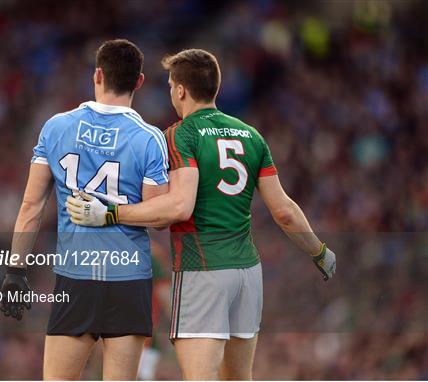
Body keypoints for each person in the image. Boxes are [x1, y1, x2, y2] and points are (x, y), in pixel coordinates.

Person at [67, 48, 337, 380]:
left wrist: (109, 214)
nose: (170, 93)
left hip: (203, 271)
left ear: (180, 90)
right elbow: (284, 212)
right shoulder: (251, 136)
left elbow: (179, 207)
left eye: (170, 85)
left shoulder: (182, 134)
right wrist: (319, 251)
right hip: (248, 275)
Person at [0, 39, 169, 380]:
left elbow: (31, 207)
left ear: (97, 76)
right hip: (129, 279)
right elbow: (159, 216)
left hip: (77, 279)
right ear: (138, 82)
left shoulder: (57, 127)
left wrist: (15, 271)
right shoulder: (149, 139)